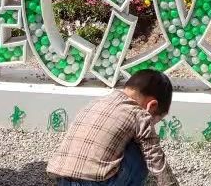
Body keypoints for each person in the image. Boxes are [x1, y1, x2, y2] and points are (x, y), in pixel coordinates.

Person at [48, 69, 178, 186]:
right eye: (156, 119)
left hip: (62, 179)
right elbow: (155, 158)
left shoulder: (96, 102)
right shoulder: (140, 114)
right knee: (141, 149)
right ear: (152, 106)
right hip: (97, 181)